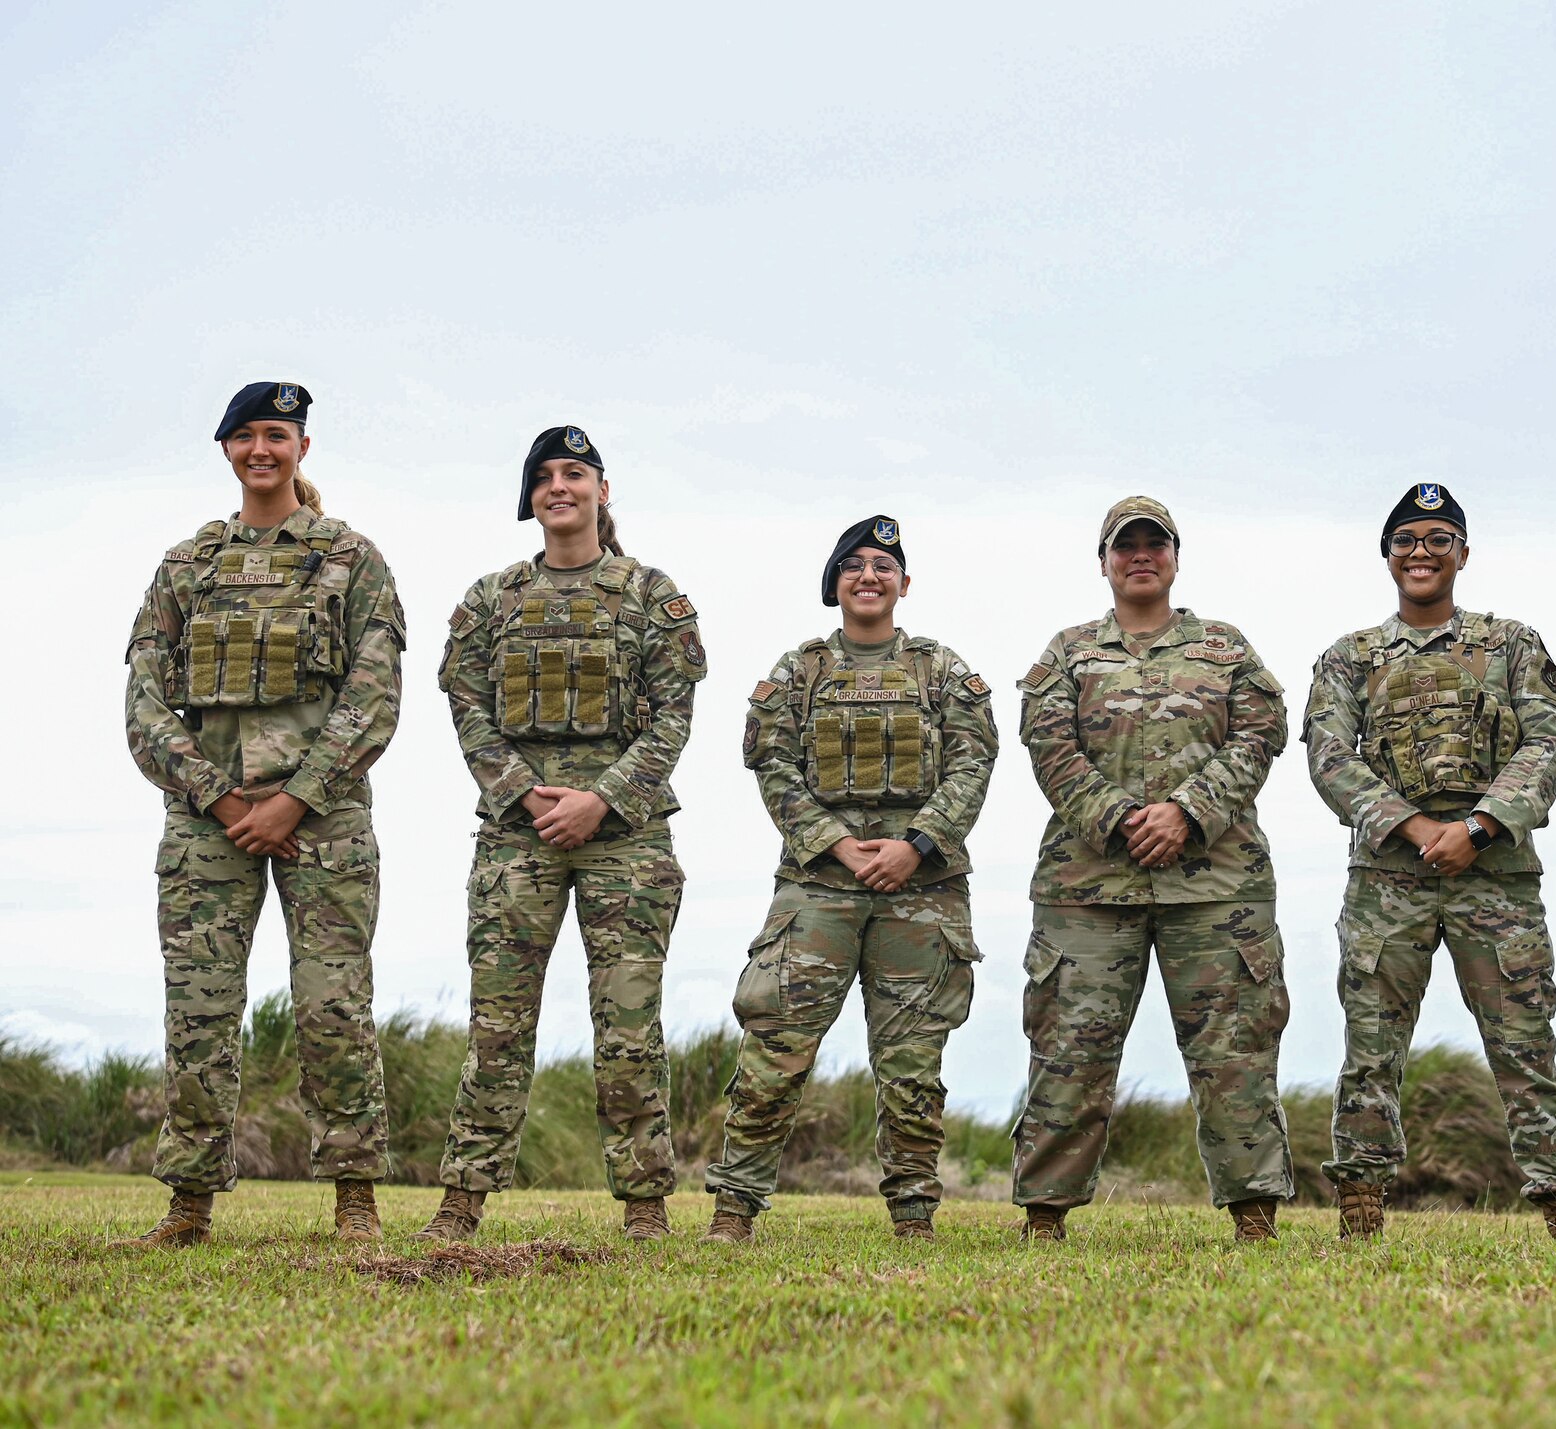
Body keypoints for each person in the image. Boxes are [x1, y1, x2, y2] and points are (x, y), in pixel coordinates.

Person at [120, 382, 404, 1248]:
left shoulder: (352, 559)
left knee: (333, 1006)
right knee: (199, 1011)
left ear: (302, 449)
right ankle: (191, 1201)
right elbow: (143, 703)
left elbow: (375, 695)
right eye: (245, 437)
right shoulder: (186, 566)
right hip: (210, 822)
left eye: (275, 435)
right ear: (227, 452)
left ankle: (354, 1194)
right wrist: (222, 797)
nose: (260, 451)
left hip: (323, 819)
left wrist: (294, 799)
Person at [418, 425, 705, 1244]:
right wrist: (521, 793)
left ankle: (645, 1204)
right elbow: (465, 705)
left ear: (602, 491)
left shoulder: (652, 595)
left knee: (627, 1024)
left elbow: (674, 717)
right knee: (498, 1023)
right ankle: (463, 1196)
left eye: (575, 473)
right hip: (518, 831)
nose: (559, 487)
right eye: (544, 477)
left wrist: (601, 800)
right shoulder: (491, 599)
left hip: (627, 836)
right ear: (530, 498)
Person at [1302, 483, 1556, 1241]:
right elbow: (1331, 756)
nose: (1421, 553)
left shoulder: (1511, 645)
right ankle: (1362, 1203)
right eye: (1405, 540)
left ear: (1463, 553)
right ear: (1387, 556)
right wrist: (1410, 825)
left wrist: (1478, 825)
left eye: (1438, 539)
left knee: (1525, 1043)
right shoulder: (1349, 657)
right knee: (1370, 1045)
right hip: (1387, 880)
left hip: (1493, 874)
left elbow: (1546, 742)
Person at [701, 517, 997, 1245]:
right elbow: (772, 766)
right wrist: (835, 843)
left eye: (884, 565)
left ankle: (915, 1217)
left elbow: (973, 763)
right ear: (834, 583)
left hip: (921, 889)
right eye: (854, 565)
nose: (869, 576)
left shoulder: (942, 669)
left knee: (912, 1066)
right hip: (820, 886)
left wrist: (915, 846)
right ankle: (733, 1210)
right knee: (775, 1048)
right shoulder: (799, 671)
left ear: (904, 583)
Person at [1011, 497, 1293, 1243]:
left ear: (1175, 556)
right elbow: (1048, 746)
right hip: (1089, 886)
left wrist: (1189, 812)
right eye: (1124, 545)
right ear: (1103, 561)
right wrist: (1118, 817)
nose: (1141, 555)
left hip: (1217, 887)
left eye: (1154, 544)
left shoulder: (1226, 649)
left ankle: (1254, 1213)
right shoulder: (1069, 653)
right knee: (1070, 1045)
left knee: (1234, 1049)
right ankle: (1045, 1215)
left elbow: (1262, 735)